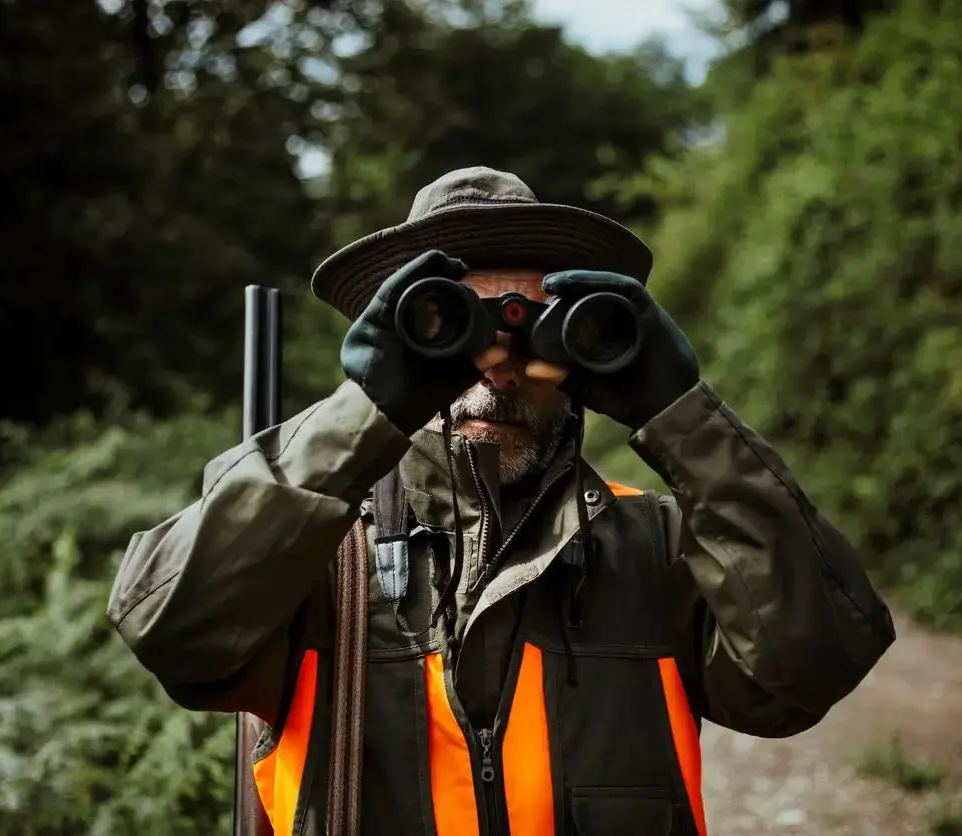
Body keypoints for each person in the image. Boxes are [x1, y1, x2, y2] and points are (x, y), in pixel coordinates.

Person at [107, 166, 896, 836]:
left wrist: (681, 413)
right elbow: (175, 633)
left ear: (580, 354)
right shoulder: (308, 550)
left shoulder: (654, 546)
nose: (495, 367)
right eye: (449, 330)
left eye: (529, 331)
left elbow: (813, 664)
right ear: (392, 349)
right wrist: (361, 415)